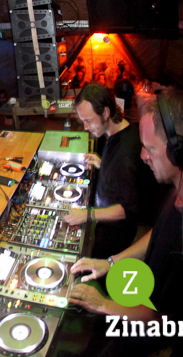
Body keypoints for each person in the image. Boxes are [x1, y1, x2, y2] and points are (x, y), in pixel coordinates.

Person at [70, 89, 183, 356]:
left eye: (150, 148)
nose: (142, 156)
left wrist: (102, 304)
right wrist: (110, 262)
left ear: (176, 149)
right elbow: (158, 234)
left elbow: (163, 319)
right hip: (146, 292)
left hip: (152, 324)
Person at [64, 83, 152, 260]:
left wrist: (87, 214)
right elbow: (121, 177)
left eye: (88, 120)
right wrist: (103, 164)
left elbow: (127, 210)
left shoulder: (125, 156)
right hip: (106, 225)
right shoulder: (121, 131)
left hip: (114, 236)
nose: (85, 127)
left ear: (105, 113)